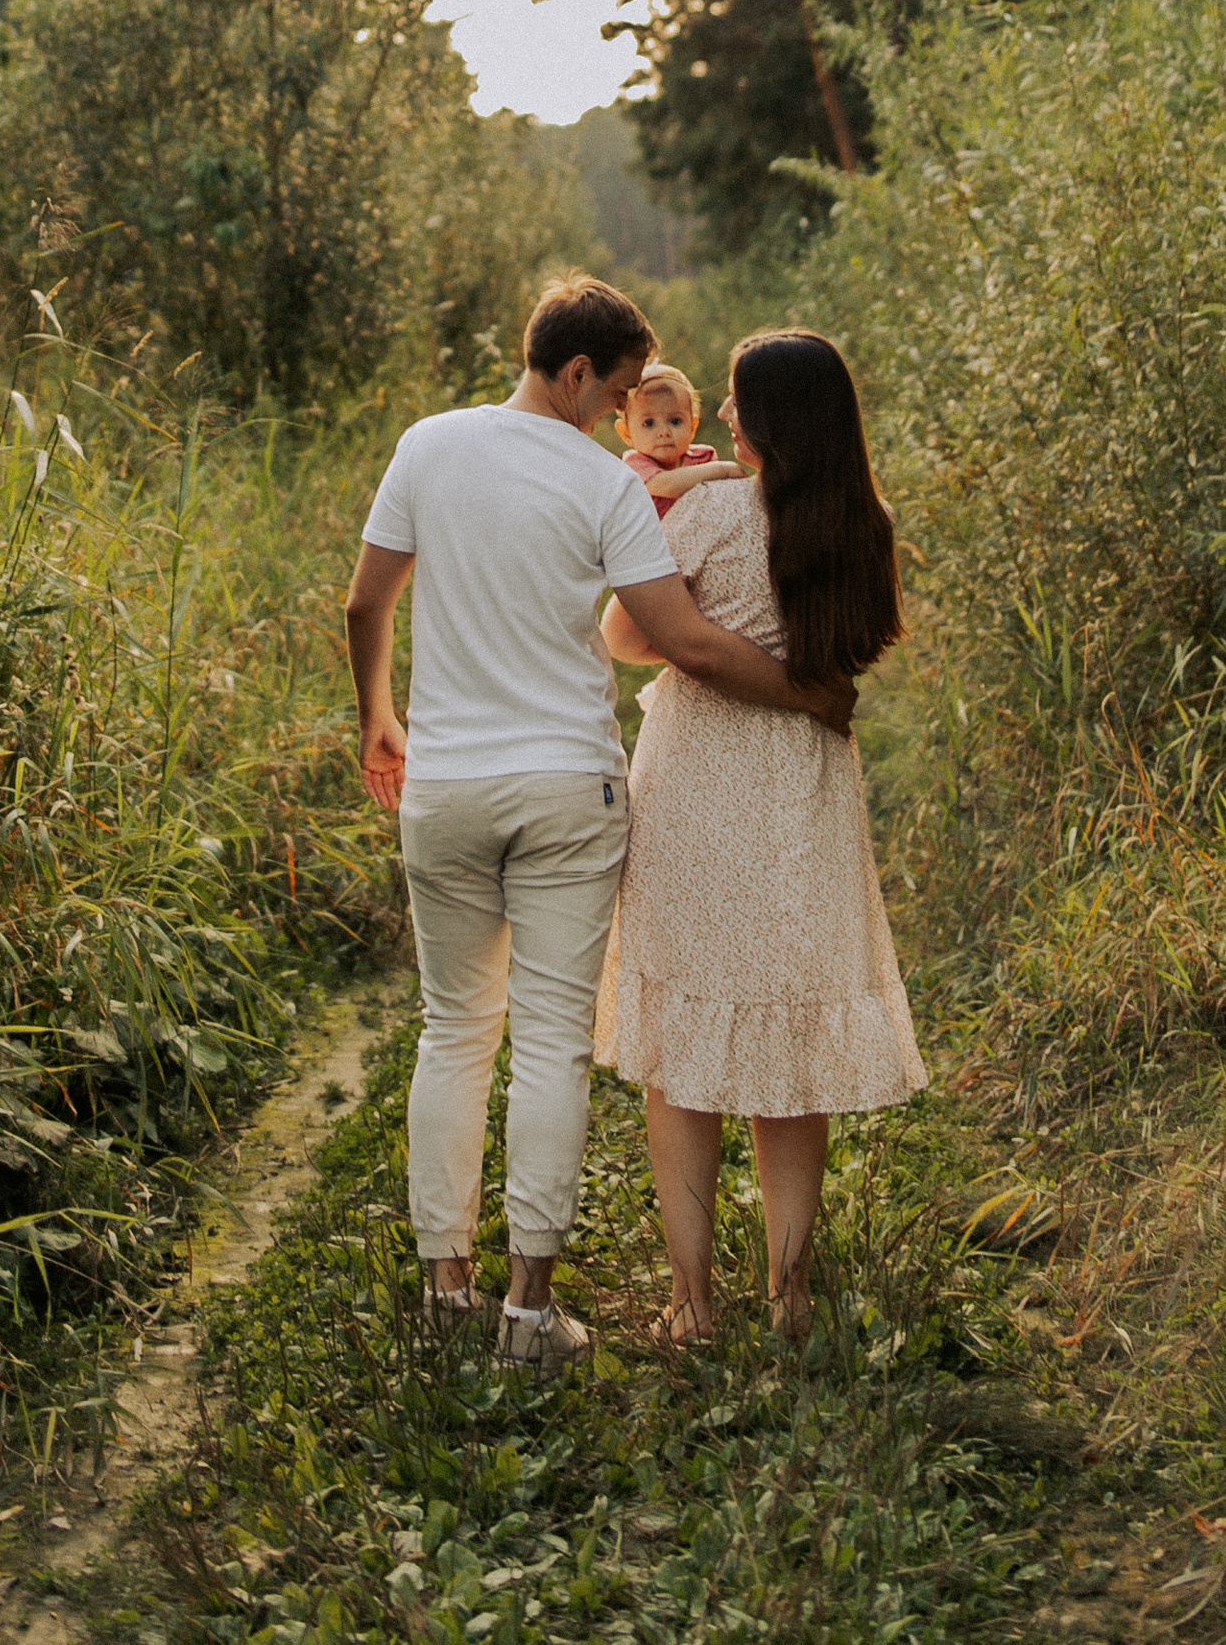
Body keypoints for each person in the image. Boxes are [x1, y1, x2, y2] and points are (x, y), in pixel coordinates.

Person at [344, 276, 859, 1371]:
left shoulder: (426, 446)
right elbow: (688, 639)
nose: (631, 412)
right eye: (623, 390)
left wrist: (378, 719)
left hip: (445, 786)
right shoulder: (601, 482)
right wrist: (805, 693)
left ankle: (447, 1295)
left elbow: (365, 602)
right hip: (568, 788)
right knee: (550, 1046)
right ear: (578, 374)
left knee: (452, 1031)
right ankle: (531, 1311)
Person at [595, 328, 923, 1342]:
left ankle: (692, 1304)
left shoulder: (712, 512)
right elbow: (859, 645)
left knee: (681, 1055)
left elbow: (625, 637)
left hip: (697, 780)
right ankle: (788, 1293)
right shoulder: (863, 523)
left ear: (772, 421)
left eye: (737, 402)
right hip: (801, 793)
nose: (723, 417)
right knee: (787, 1047)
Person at [614, 361, 741, 514]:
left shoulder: (703, 457)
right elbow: (668, 485)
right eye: (649, 423)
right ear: (626, 432)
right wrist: (725, 470)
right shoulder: (634, 464)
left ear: (692, 427)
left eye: (675, 421)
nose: (664, 432)